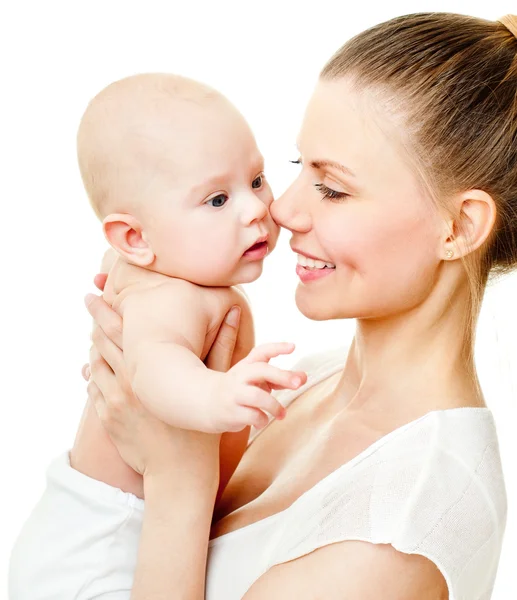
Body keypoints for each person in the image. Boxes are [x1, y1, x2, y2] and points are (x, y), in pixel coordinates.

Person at [9, 11, 515, 600]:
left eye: (333, 188)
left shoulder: (396, 531)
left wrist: (179, 479)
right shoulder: (306, 381)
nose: (282, 211)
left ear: (460, 226)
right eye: (299, 168)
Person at [74, 73, 307, 498]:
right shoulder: (173, 297)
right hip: (106, 530)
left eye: (256, 180)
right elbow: (154, 368)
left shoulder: (152, 265)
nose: (256, 208)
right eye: (217, 200)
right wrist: (215, 395)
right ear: (136, 238)